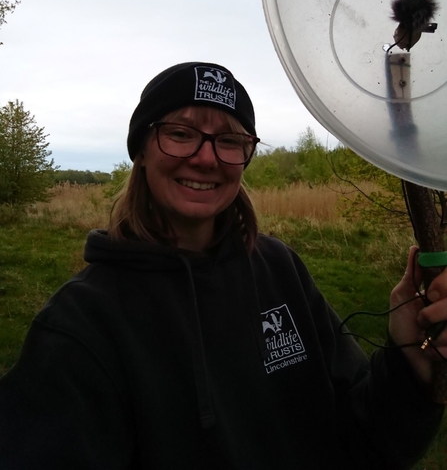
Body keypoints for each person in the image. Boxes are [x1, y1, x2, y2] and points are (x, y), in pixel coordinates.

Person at [0, 61, 445, 470]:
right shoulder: (82, 325)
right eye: (180, 133)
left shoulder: (280, 270)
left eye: (230, 140)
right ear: (141, 150)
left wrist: (409, 362)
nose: (207, 157)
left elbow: (361, 442)